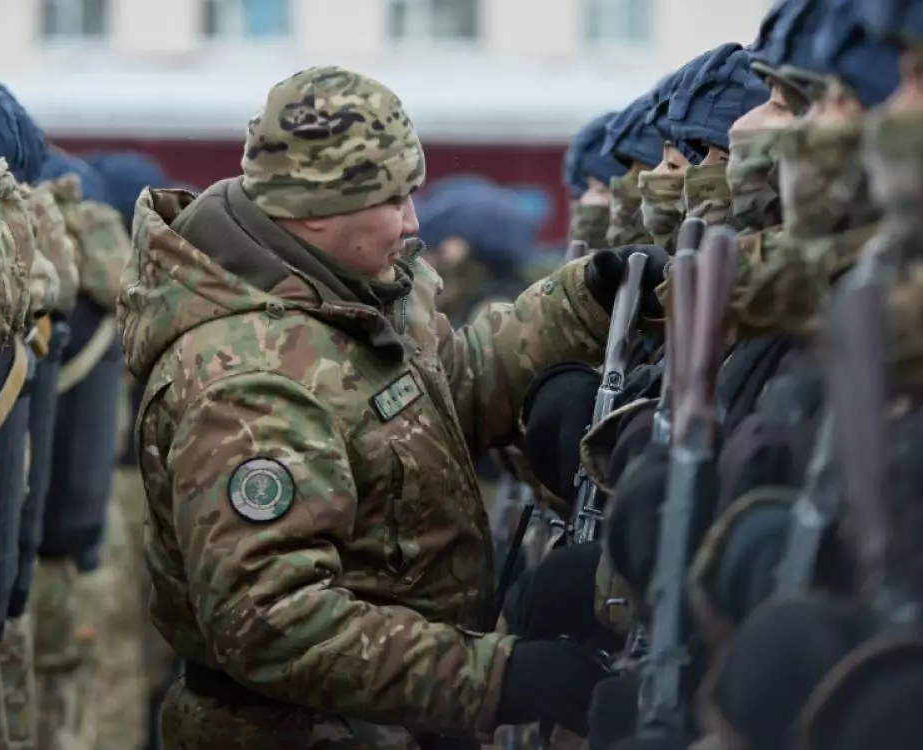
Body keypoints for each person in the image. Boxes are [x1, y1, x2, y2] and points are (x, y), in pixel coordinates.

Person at [116, 64, 664, 749]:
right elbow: (273, 622)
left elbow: (438, 404)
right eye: (393, 199)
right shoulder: (246, 380)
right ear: (315, 208)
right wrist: (498, 677)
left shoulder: (345, 298)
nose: (412, 223)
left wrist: (586, 301)